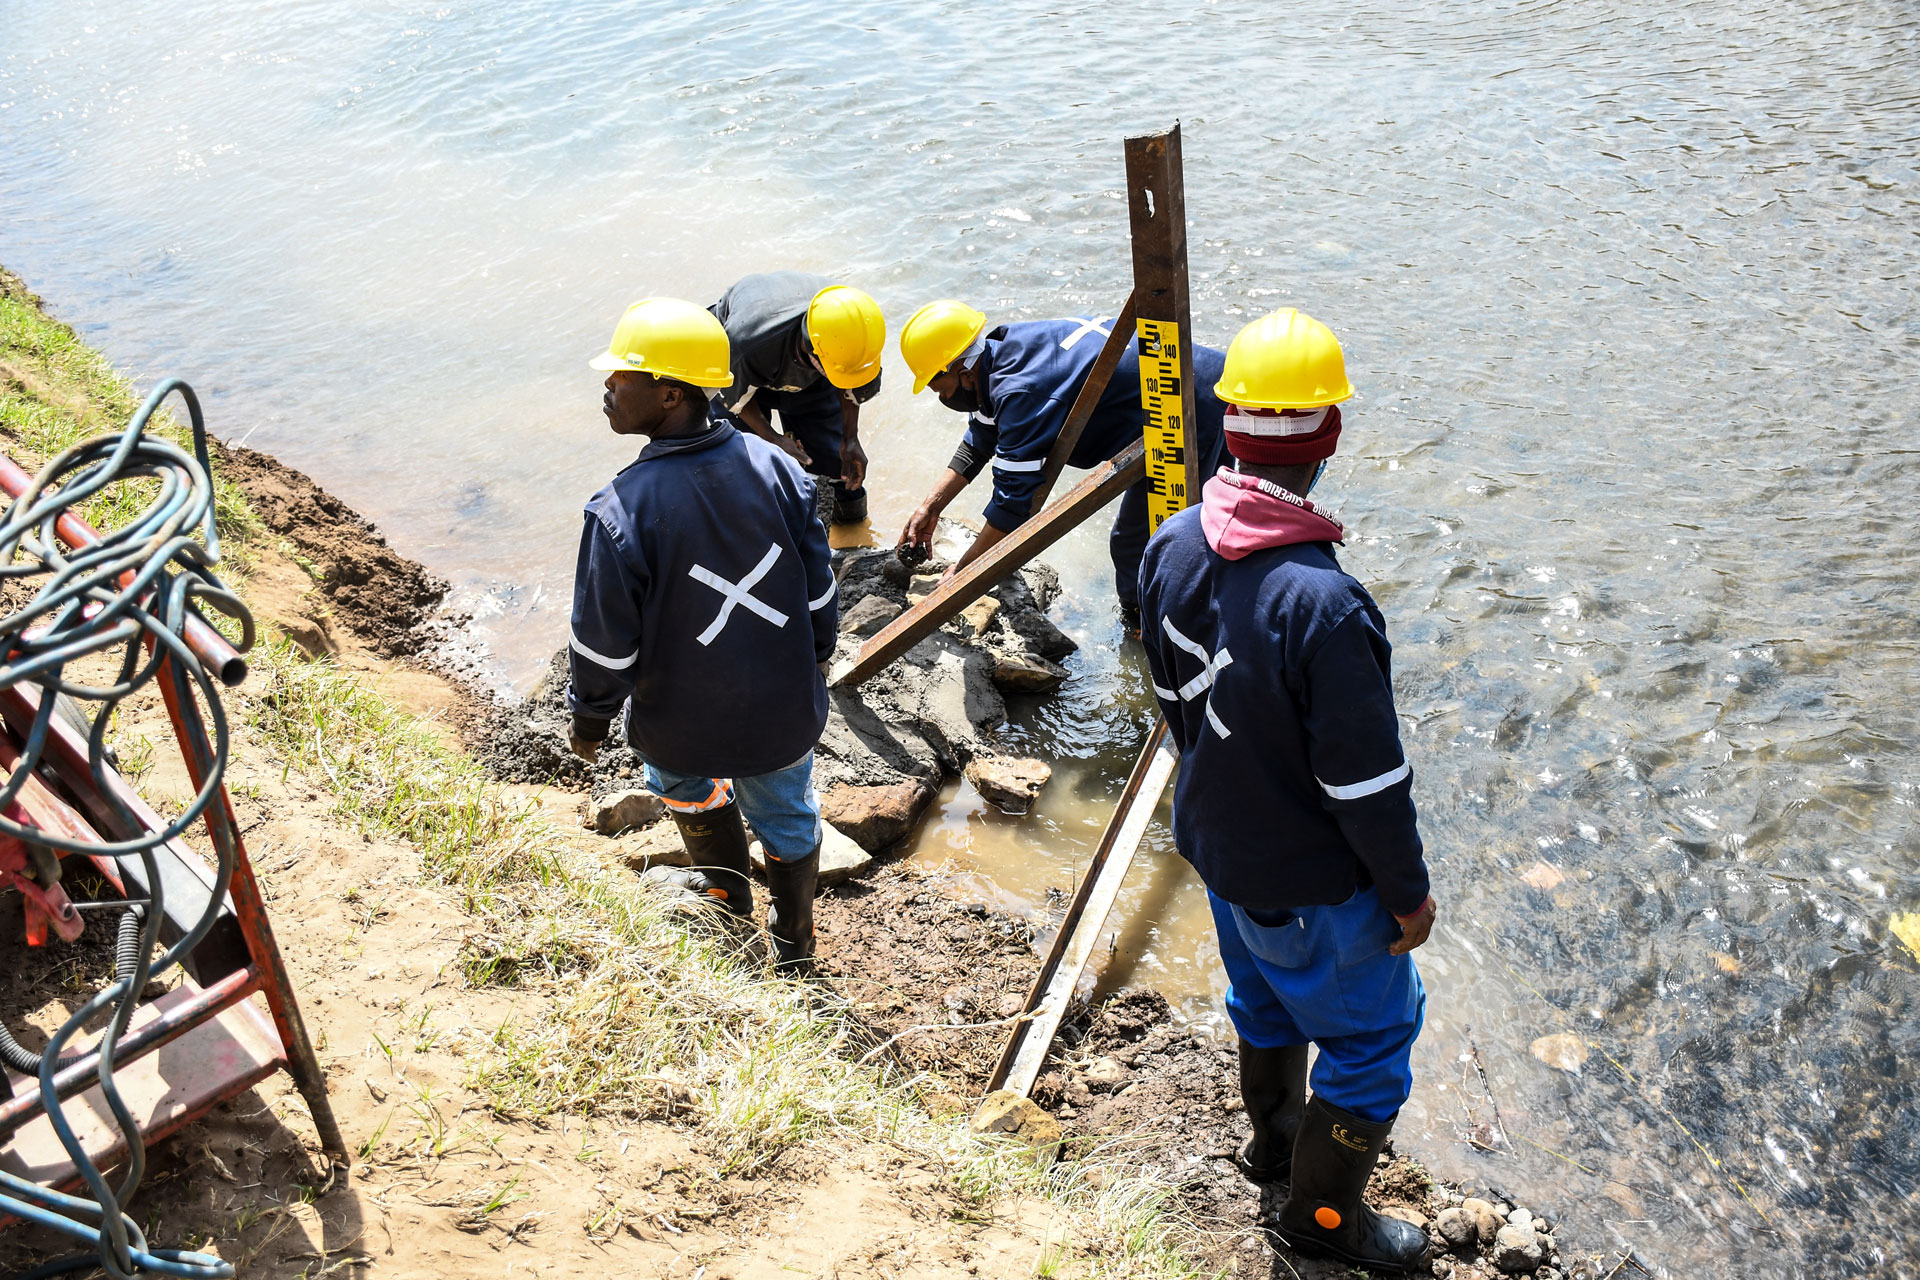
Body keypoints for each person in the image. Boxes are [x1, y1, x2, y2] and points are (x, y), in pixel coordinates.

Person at [1136, 307, 1438, 1273]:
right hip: (1315, 882)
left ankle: (1270, 1149)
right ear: (1330, 434)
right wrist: (1408, 894)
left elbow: (1174, 702)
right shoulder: (1325, 603)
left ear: (1227, 424)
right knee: (1373, 1042)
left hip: (1220, 850)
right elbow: (1367, 784)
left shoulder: (1171, 543)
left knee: (1262, 999)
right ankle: (1321, 1222)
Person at [566, 297, 839, 970]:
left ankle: (724, 893)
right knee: (787, 814)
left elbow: (604, 643)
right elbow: (819, 593)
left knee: (685, 787)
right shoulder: (779, 470)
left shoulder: (622, 509)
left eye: (621, 376)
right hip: (779, 711)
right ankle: (794, 939)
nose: (608, 386)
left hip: (679, 722)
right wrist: (815, 662)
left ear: (669, 394)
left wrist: (590, 719)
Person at [893, 300, 1228, 627]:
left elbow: (1012, 505)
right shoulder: (1001, 350)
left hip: (1194, 406)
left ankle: (1149, 632)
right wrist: (931, 507)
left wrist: (963, 572)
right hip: (1179, 384)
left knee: (1137, 545)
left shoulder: (1021, 392)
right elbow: (980, 439)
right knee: (1159, 537)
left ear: (964, 373)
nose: (942, 398)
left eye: (940, 390)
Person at [708, 272, 886, 526]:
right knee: (745, 470)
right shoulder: (747, 343)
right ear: (812, 352)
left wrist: (850, 437)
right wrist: (773, 439)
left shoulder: (858, 337)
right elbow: (735, 400)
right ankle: (761, 531)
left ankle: (845, 530)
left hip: (814, 367)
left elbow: (851, 387)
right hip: (737, 368)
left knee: (833, 466)